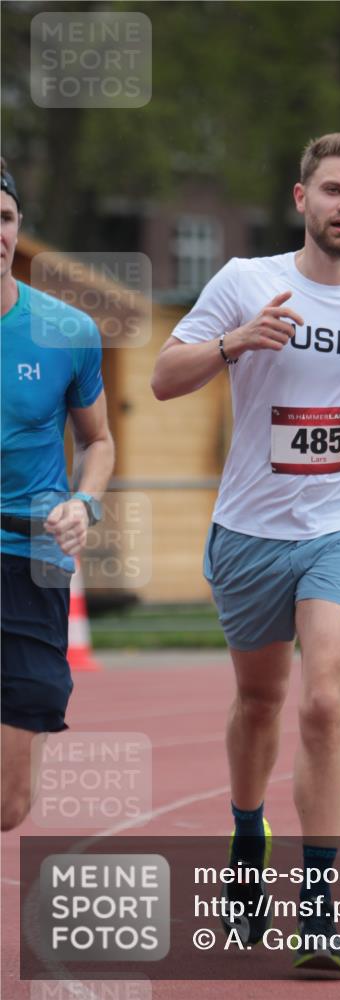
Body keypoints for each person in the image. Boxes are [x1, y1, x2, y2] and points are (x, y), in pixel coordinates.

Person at [151, 132, 340, 970]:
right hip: (247, 530)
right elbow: (165, 377)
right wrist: (236, 343)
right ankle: (247, 835)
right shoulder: (246, 282)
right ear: (300, 198)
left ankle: (319, 904)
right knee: (261, 703)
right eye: (333, 190)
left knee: (324, 701)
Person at [1, 157, 115, 831]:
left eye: (6, 218)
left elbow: (97, 442)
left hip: (32, 559)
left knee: (11, 805)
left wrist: (85, 502)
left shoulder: (67, 332)